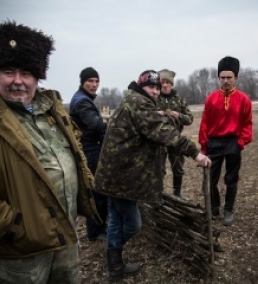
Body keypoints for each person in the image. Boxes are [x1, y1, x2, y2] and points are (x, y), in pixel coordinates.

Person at [0, 21, 101, 284]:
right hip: (21, 251)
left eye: (26, 73)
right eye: (9, 71)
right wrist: (16, 228)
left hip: (65, 237)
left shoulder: (52, 110)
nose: (18, 81)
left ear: (37, 78)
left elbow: (74, 153)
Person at [94, 70, 211, 282]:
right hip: (122, 178)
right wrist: (195, 153)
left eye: (158, 88)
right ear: (141, 87)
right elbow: (163, 132)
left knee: (115, 220)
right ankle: (113, 256)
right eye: (152, 87)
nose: (156, 91)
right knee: (133, 224)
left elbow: (152, 121)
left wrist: (165, 115)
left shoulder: (133, 100)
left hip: (113, 174)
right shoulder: (139, 103)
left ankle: (115, 267)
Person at [198, 56, 253, 226]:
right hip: (214, 143)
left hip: (233, 143)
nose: (225, 80)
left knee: (231, 178)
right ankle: (214, 207)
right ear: (218, 78)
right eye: (222, 77)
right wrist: (204, 145)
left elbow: (247, 123)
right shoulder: (211, 99)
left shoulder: (244, 99)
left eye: (229, 77)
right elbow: (204, 123)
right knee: (211, 179)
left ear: (236, 77)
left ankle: (228, 209)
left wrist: (241, 142)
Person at [70, 67, 108, 242]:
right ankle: (95, 231)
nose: (94, 85)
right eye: (90, 81)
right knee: (95, 190)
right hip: (89, 149)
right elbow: (95, 125)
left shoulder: (83, 98)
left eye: (96, 81)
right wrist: (115, 128)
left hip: (91, 146)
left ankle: (99, 227)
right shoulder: (82, 102)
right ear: (82, 82)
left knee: (97, 189)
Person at [156, 69, 193, 199]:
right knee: (158, 169)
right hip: (158, 141)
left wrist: (179, 115)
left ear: (171, 84)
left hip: (175, 138)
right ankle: (158, 195)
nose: (164, 85)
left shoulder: (179, 100)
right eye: (162, 82)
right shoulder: (154, 98)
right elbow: (146, 116)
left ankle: (177, 193)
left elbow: (189, 119)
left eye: (167, 82)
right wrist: (159, 114)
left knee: (178, 167)